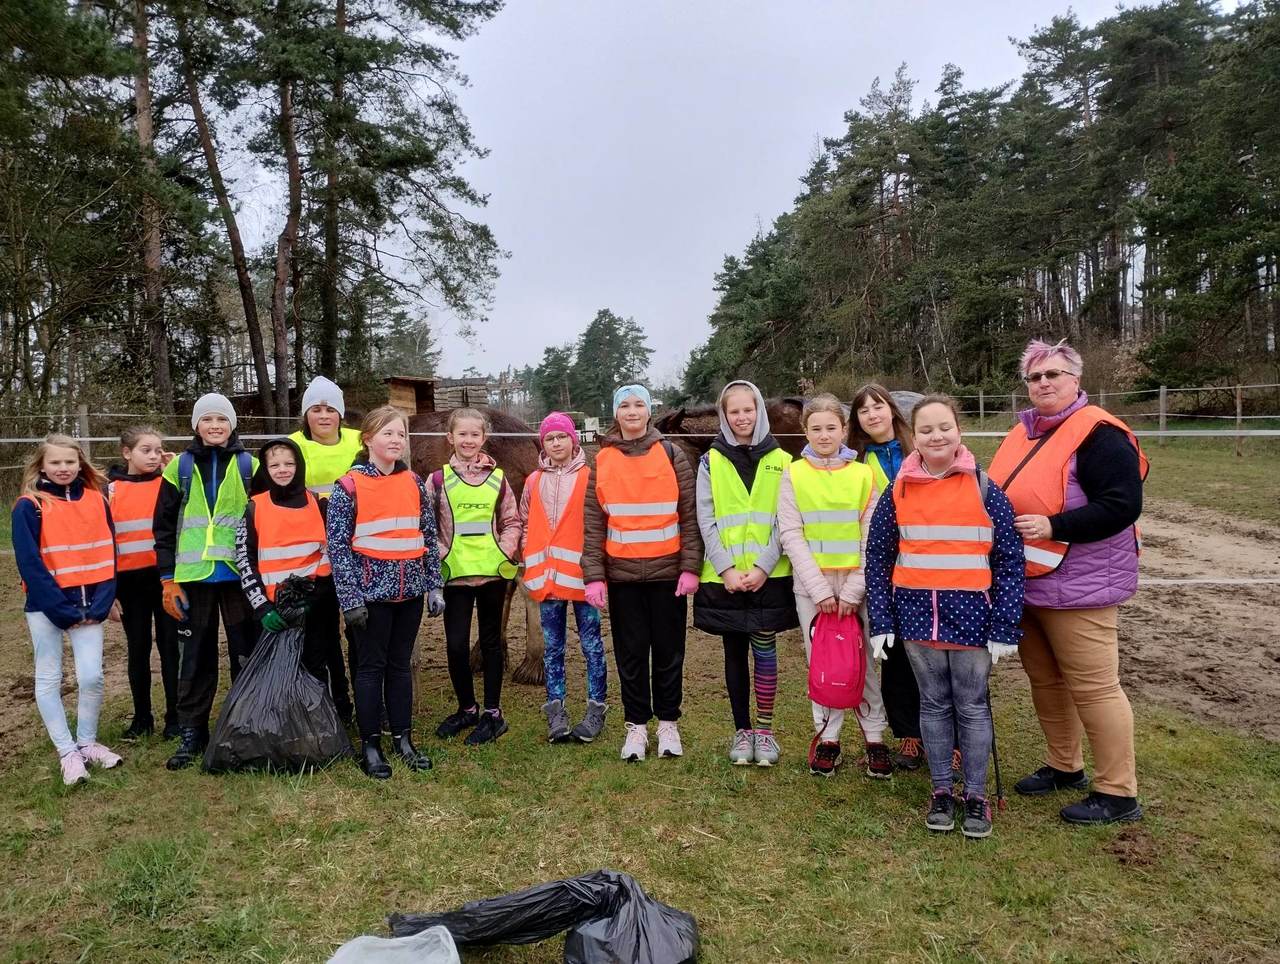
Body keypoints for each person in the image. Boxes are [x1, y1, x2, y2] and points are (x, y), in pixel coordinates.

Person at [989, 339, 1149, 825]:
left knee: (1095, 688)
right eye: (1034, 377)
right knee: (1046, 681)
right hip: (1029, 582)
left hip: (1081, 586)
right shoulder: (1022, 433)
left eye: (1053, 374)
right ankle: (1064, 764)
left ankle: (1117, 792)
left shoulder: (1099, 434)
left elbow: (1122, 505)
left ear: (1075, 379)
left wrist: (1055, 525)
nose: (1043, 383)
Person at [865, 395, 1025, 838]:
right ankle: (940, 790)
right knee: (932, 704)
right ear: (913, 436)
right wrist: (882, 620)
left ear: (959, 431)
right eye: (926, 430)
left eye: (944, 427)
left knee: (971, 707)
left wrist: (1006, 623)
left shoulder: (986, 489)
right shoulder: (897, 491)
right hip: (917, 619)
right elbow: (877, 557)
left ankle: (975, 795)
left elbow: (1010, 560)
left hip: (973, 621)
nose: (936, 437)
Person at [583, 385, 702, 762]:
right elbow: (593, 523)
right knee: (631, 655)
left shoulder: (671, 454)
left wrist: (690, 567)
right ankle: (636, 726)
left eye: (639, 404)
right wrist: (594, 575)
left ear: (650, 412)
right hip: (623, 578)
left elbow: (689, 515)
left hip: (668, 575)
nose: (632, 411)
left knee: (669, 653)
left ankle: (668, 723)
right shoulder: (602, 460)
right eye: (624, 405)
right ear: (615, 413)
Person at [778, 394, 891, 779]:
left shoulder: (863, 475)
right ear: (805, 431)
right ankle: (828, 737)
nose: (824, 435)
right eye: (816, 429)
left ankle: (874, 737)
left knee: (863, 662)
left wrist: (854, 590)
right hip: (814, 590)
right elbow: (791, 534)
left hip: (857, 588)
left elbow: (871, 536)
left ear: (844, 430)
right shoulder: (793, 474)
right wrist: (820, 590)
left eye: (831, 428)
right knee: (822, 663)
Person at [327, 406, 443, 778]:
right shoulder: (348, 486)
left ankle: (403, 739)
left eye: (401, 434)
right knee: (370, 669)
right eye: (387, 433)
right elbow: (338, 548)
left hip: (409, 594)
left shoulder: (413, 482)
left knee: (399, 666)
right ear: (368, 439)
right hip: (370, 598)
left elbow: (427, 536)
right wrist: (350, 600)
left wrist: (434, 584)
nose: (396, 440)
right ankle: (371, 745)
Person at [693, 380, 797, 766]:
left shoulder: (783, 461)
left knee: (765, 649)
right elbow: (706, 519)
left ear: (759, 412)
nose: (742, 417)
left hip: (768, 576)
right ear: (724, 415)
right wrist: (726, 569)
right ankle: (742, 730)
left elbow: (786, 519)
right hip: (727, 579)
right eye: (733, 411)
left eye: (748, 410)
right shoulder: (710, 461)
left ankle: (765, 731)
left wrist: (763, 566)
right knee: (734, 651)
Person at [154, 393, 260, 771]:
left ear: (232, 424)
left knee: (245, 652)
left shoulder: (250, 465)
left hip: (238, 575)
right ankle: (192, 732)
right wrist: (168, 579)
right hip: (192, 578)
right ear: (196, 426)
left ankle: (244, 726)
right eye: (207, 419)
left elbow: (264, 520)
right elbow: (163, 527)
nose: (215, 426)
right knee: (195, 656)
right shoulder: (177, 468)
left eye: (222, 419)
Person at [13, 434, 122, 785]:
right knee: (49, 677)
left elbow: (109, 552)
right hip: (47, 608)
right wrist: (62, 611)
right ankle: (67, 751)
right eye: (56, 462)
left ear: (80, 463)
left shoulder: (97, 499)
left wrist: (102, 603)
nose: (63, 468)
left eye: (70, 462)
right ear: (42, 466)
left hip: (91, 606)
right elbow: (30, 564)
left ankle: (87, 742)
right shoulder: (30, 506)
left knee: (92, 676)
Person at [848, 383, 932, 772]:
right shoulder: (855, 461)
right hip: (885, 566)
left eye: (878, 406)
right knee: (895, 655)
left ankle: (948, 736)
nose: (872, 414)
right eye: (864, 410)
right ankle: (909, 734)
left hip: (929, 562)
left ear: (892, 410)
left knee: (937, 651)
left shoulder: (920, 449)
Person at [431, 408, 522, 746]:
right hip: (455, 576)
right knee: (456, 645)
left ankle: (494, 715)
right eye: (462, 434)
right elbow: (427, 526)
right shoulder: (437, 480)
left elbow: (512, 521)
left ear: (484, 438)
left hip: (491, 577)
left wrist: (503, 551)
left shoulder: (498, 479)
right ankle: (467, 709)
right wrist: (441, 554)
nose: (468, 440)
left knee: (490, 643)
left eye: (474, 434)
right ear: (450, 438)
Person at [519, 412, 608, 744]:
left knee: (591, 646)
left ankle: (596, 708)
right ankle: (556, 710)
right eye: (549, 438)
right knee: (553, 648)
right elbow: (526, 521)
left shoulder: (590, 477)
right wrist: (528, 555)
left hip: (583, 578)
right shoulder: (533, 481)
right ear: (543, 443)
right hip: (547, 580)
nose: (556, 443)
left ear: (573, 440)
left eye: (561, 437)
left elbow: (600, 524)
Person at [235, 438, 340, 690]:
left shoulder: (317, 503)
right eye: (275, 465)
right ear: (265, 469)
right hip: (273, 611)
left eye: (289, 464)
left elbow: (329, 554)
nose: (282, 470)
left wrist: (314, 599)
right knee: (275, 676)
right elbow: (245, 561)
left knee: (316, 669)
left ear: (299, 465)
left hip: (313, 607)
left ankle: (324, 713)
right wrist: (262, 609)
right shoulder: (254, 508)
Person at [288, 375, 361, 722]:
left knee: (359, 630)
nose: (323, 416)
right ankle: (333, 705)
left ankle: (367, 702)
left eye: (330, 409)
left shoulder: (360, 442)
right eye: (315, 409)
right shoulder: (292, 446)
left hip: (357, 551)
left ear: (340, 414)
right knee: (322, 634)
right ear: (306, 414)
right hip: (313, 554)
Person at [107, 426, 180, 740]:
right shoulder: (109, 491)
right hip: (129, 584)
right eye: (145, 450)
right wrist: (108, 590)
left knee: (170, 648)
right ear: (127, 453)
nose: (153, 456)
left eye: (158, 450)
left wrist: (175, 470)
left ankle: (175, 717)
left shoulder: (169, 483)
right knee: (138, 648)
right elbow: (103, 541)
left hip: (165, 579)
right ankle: (142, 718)